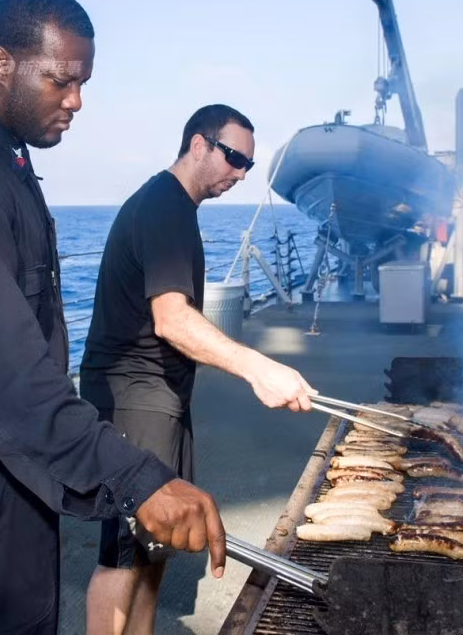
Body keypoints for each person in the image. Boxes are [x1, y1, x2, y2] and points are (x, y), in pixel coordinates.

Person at [0, 0, 226, 635]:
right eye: (61, 81)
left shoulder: (1, 160)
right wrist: (140, 479)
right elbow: (7, 384)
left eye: (83, 82)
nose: (76, 101)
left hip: (6, 484)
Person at [80, 104, 315, 634]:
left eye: (249, 165)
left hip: (162, 398)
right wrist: (257, 368)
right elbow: (171, 320)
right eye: (233, 157)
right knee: (121, 552)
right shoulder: (164, 206)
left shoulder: (175, 209)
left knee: (151, 546)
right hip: (134, 399)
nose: (240, 172)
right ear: (198, 144)